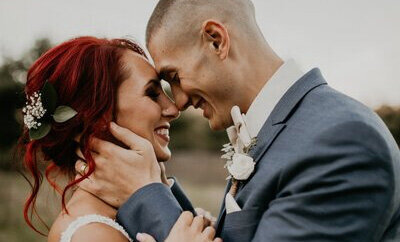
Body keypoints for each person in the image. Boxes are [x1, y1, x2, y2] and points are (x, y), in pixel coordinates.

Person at [75, 0, 400, 241]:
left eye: (174, 77)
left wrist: (144, 194)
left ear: (216, 40)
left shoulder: (342, 141)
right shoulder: (288, 131)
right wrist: (160, 191)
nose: (180, 102)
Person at [20, 36, 220, 242]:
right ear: (96, 118)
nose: (173, 109)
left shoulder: (127, 211)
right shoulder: (90, 235)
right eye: (152, 93)